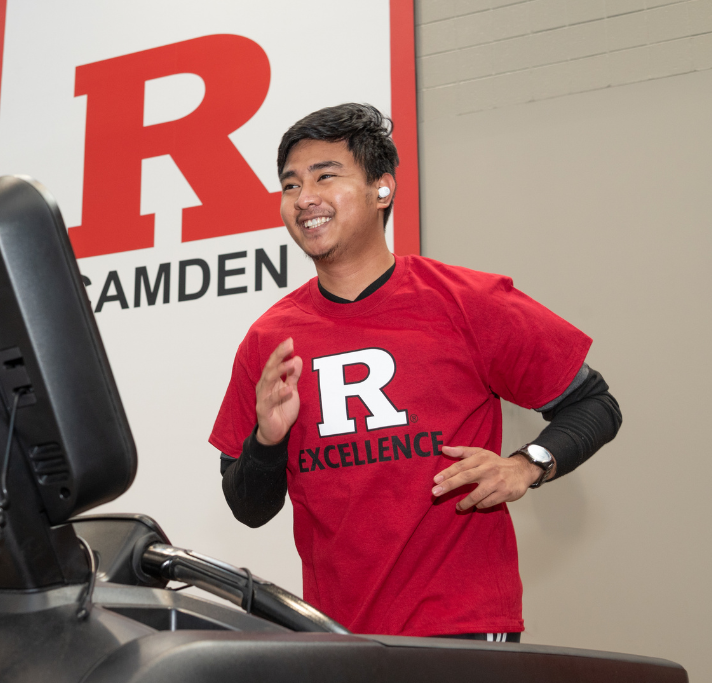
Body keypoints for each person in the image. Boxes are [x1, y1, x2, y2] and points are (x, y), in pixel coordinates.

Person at [209, 103, 621, 641]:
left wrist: (525, 465)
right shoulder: (269, 341)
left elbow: (596, 404)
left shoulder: (468, 302)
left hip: (463, 630)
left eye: (325, 176)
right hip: (336, 641)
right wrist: (267, 438)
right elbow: (249, 508)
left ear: (383, 189)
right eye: (290, 185)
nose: (303, 197)